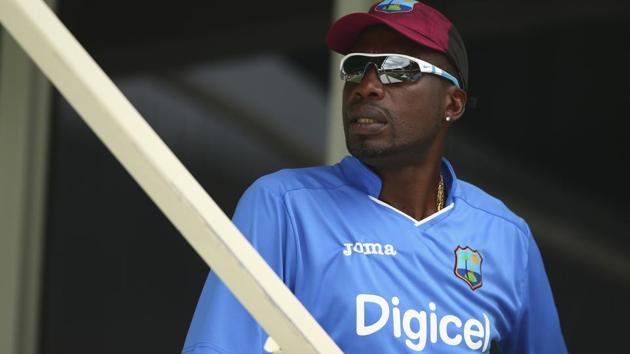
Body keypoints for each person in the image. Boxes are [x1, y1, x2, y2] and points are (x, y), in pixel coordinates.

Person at [182, 1, 567, 353]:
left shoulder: (504, 236)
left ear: (452, 103)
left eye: (398, 69)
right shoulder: (283, 205)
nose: (365, 87)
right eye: (354, 68)